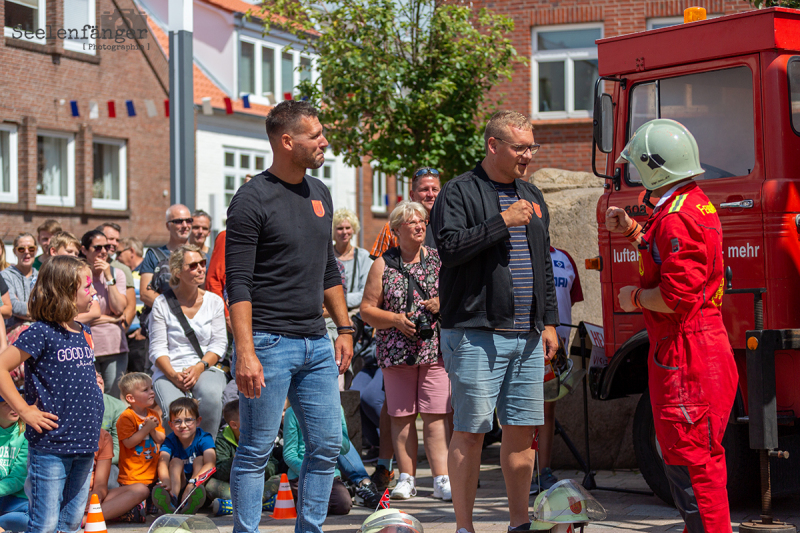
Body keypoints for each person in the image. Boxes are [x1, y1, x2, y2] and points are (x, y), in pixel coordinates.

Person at [226, 100, 354, 533]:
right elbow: (237, 283)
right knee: (256, 448)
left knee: (325, 446)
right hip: (267, 343)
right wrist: (245, 353)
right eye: (315, 135)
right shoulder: (250, 199)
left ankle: (310, 529)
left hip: (317, 343)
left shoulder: (320, 192)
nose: (324, 141)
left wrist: (346, 327)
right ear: (286, 141)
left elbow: (328, 269)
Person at [430, 110, 560, 533]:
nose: (528, 155)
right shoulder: (459, 191)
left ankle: (519, 523)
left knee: (522, 434)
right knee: (470, 433)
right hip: (475, 334)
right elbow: (448, 249)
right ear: (493, 146)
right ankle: (465, 527)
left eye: (531, 147)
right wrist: (501, 222)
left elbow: (544, 261)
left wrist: (550, 323)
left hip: (526, 336)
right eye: (520, 147)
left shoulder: (533, 195)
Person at [606, 119, 737, 532]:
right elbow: (670, 256)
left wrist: (633, 299)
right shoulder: (690, 204)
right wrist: (632, 231)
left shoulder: (677, 217)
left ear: (654, 167)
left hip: (686, 356)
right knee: (694, 461)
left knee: (691, 465)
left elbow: (674, 296)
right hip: (695, 349)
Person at [0, 255, 104, 533]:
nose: (93, 291)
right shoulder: (41, 332)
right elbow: (1, 366)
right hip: (52, 446)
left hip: (84, 443)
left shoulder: (82, 329)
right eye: (87, 286)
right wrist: (24, 410)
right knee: (44, 524)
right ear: (66, 291)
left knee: (70, 522)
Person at [361, 201, 450, 501]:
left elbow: (458, 297)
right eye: (412, 222)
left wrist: (442, 302)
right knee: (401, 416)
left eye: (422, 221)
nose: (419, 225)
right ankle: (407, 478)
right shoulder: (382, 264)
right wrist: (396, 320)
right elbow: (366, 310)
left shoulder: (438, 260)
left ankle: (441, 479)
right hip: (396, 351)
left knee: (436, 415)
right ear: (397, 229)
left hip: (433, 350)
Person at [148, 245, 228, 438]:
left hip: (205, 366)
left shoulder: (214, 301)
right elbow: (157, 349)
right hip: (170, 369)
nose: (201, 269)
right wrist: (174, 376)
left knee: (210, 398)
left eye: (202, 263)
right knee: (175, 412)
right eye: (193, 266)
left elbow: (219, 344)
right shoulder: (162, 303)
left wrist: (199, 367)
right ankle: (179, 460)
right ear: (177, 272)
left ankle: (206, 452)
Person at [530, 246, 583, 494]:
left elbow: (569, 298)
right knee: (526, 413)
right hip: (528, 344)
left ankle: (544, 472)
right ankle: (527, 471)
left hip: (556, 351)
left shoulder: (565, 257)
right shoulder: (520, 251)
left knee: (548, 410)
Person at [207, 399, 280, 516]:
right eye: (249, 417)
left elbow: (273, 467)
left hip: (258, 485)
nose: (256, 420)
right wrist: (238, 459)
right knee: (209, 484)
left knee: (281, 478)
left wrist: (258, 460)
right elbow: (219, 472)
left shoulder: (260, 437)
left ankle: (233, 506)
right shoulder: (221, 440)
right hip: (233, 487)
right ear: (234, 425)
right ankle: (262, 503)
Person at [81, 230, 129, 398]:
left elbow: (119, 309)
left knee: (113, 398)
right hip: (87, 347)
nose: (103, 251)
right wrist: (111, 319)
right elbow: (78, 315)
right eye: (98, 247)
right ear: (84, 250)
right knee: (89, 397)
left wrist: (109, 277)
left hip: (114, 346)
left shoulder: (117, 274)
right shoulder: (78, 275)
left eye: (107, 247)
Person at [283, 403, 353, 515]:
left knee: (343, 505)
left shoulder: (337, 409)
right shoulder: (292, 412)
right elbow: (289, 454)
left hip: (330, 474)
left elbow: (345, 448)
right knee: (314, 508)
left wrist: (331, 426)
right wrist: (310, 473)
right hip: (301, 474)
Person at [152, 397, 216, 515]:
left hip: (198, 490)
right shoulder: (170, 440)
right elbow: (163, 462)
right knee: (175, 461)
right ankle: (172, 500)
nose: (183, 425)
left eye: (188, 420)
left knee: (200, 459)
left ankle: (190, 501)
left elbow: (210, 463)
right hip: (177, 487)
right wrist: (165, 481)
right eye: (177, 421)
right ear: (171, 424)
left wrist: (192, 484)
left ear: (198, 421)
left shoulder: (204, 437)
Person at [369, 169, 441, 258]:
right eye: (425, 189)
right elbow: (378, 266)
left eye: (435, 189)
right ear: (412, 195)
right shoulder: (394, 227)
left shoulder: (449, 225)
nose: (430, 194)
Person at [86, 428, 149, 523]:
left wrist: (95, 496)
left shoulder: (103, 437)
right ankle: (97, 517)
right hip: (68, 497)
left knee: (141, 490)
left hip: (91, 496)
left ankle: (84, 520)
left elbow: (100, 485)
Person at [116, 373, 166, 492]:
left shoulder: (153, 414)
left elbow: (160, 439)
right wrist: (146, 429)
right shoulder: (126, 417)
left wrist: (152, 430)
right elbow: (128, 443)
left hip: (152, 475)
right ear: (131, 398)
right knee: (134, 507)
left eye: (151, 388)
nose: (152, 392)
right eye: (145, 390)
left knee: (153, 508)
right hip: (132, 478)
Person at [139, 204, 193, 310]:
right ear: (168, 226)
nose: (185, 225)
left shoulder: (200, 256)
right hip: (164, 320)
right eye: (178, 221)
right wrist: (175, 311)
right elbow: (145, 294)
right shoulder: (154, 255)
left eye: (188, 220)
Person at [97, 223, 137, 339]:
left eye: (117, 240)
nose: (114, 243)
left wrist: (118, 333)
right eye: (110, 239)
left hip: (113, 337)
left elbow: (131, 307)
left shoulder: (122, 269)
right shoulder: (83, 266)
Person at [116, 237, 147, 373]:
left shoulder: (147, 272)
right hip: (124, 335)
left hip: (140, 337)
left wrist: (144, 329)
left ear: (131, 251)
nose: (116, 258)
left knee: (139, 381)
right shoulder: (122, 273)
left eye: (119, 253)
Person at [332, 209, 373, 312]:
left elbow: (366, 292)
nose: (344, 232)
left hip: (356, 311)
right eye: (340, 228)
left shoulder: (363, 256)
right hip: (330, 311)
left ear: (353, 229)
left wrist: (337, 300)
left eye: (348, 228)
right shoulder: (326, 256)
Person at [2, 234, 38, 343]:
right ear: (15, 251)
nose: (27, 252)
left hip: (38, 334)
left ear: (36, 251)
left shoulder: (42, 277)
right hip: (12, 336)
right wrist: (39, 312)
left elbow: (48, 308)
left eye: (31, 248)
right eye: (21, 249)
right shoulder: (5, 276)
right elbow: (13, 306)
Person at [0, 393, 29, 532]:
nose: (14, 407)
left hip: (16, 498)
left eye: (15, 402)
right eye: (7, 404)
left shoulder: (27, 433)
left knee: (33, 519)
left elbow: (18, 477)